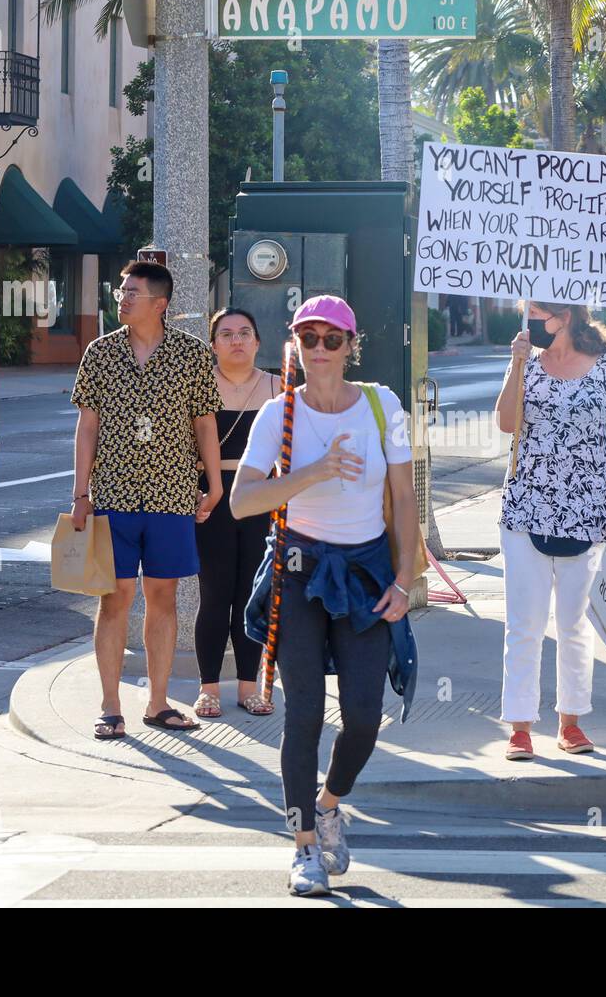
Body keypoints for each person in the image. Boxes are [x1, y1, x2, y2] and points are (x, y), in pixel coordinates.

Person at [233, 294, 421, 898]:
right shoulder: (279, 415)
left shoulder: (382, 405)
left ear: (349, 346)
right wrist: (313, 471)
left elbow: (405, 499)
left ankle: (329, 802)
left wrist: (404, 581)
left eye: (331, 339)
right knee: (305, 714)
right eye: (308, 338)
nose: (319, 349)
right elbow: (242, 501)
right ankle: (304, 846)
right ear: (296, 344)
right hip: (298, 572)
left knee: (364, 716)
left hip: (365, 574)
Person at [70, 260, 223, 741]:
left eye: (132, 291)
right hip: (113, 495)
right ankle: (110, 706)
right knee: (114, 597)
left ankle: (158, 703)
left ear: (160, 303)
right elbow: (87, 426)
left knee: (163, 597)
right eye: (122, 290)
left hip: (171, 496)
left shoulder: (192, 354)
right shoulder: (99, 353)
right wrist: (80, 494)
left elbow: (205, 423)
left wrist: (214, 483)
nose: (122, 297)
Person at [494, 301, 606, 761]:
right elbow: (506, 422)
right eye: (528, 313)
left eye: (538, 314)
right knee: (525, 624)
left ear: (566, 316)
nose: (531, 322)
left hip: (588, 514)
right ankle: (520, 726)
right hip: (526, 511)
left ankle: (570, 722)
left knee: (575, 624)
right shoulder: (527, 362)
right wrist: (517, 365)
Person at [192, 308, 279, 719]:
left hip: (260, 501)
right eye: (226, 334)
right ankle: (208, 688)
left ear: (258, 342)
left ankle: (249, 686)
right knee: (214, 594)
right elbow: (183, 446)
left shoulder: (278, 387)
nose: (237, 340)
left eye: (245, 332)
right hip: (212, 501)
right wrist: (195, 494)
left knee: (251, 595)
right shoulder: (199, 384)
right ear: (214, 345)